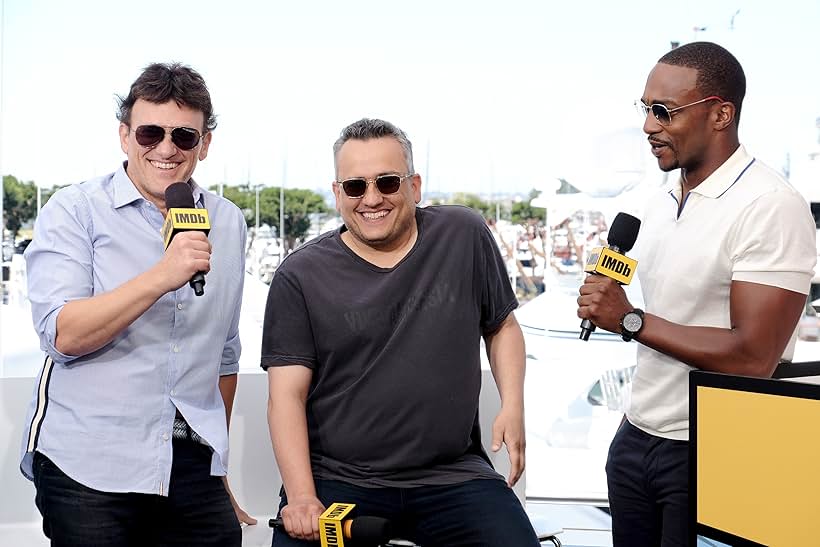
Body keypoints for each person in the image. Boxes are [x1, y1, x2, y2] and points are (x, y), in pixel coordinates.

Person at [577, 41, 816, 546]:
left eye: (664, 112)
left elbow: (753, 356)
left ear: (720, 114)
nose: (648, 126)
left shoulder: (770, 205)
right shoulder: (658, 198)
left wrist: (630, 320)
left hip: (715, 447)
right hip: (636, 434)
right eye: (645, 109)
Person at [261, 118, 539, 546]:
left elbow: (501, 325)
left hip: (454, 476)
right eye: (355, 186)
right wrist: (301, 497)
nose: (372, 198)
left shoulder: (463, 234)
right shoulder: (300, 275)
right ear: (337, 195)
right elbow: (286, 396)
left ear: (415, 186)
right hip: (340, 482)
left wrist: (513, 405)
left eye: (387, 182)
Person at [20, 62, 256, 546]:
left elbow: (224, 354)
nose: (166, 148)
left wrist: (220, 467)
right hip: (89, 466)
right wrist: (163, 275)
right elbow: (62, 334)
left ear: (204, 145)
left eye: (184, 136)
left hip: (192, 465)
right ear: (125, 136)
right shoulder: (74, 211)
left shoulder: (228, 222)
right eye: (150, 132)